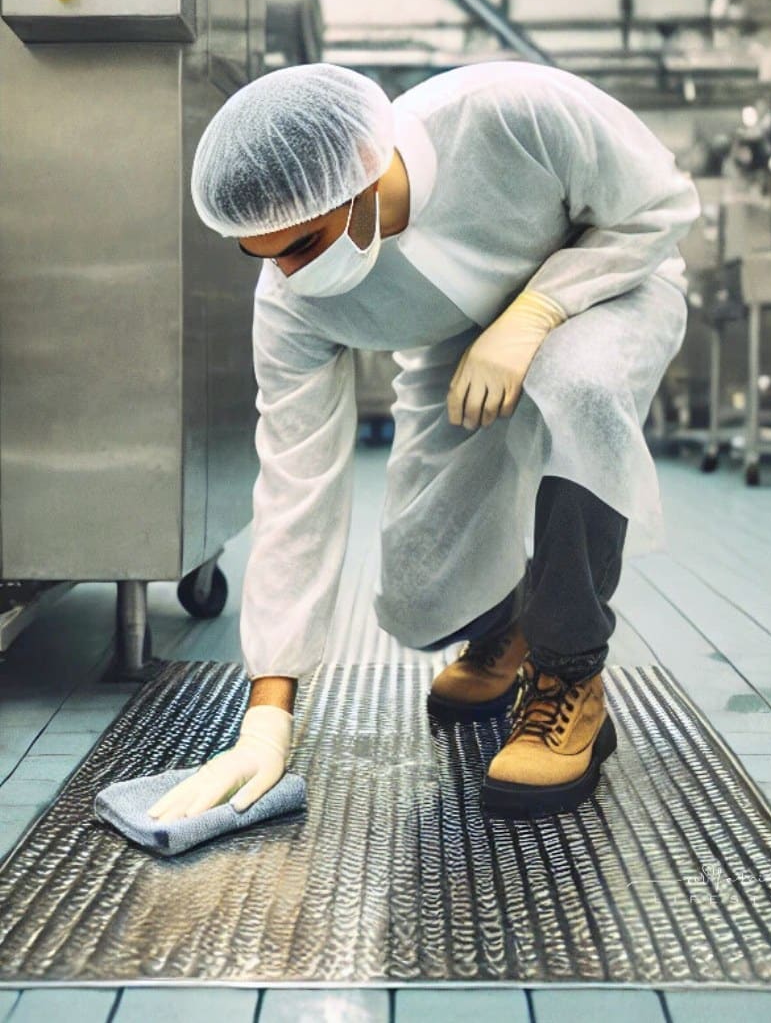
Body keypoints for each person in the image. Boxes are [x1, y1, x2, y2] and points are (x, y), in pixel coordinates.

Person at [147, 60, 699, 823]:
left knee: (576, 386)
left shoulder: (507, 110)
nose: (288, 273)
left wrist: (538, 310)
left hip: (611, 280)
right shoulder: (291, 303)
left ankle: (569, 673)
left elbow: (660, 205)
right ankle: (505, 629)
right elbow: (295, 483)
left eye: (304, 242)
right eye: (263, 254)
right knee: (420, 596)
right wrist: (268, 712)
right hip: (460, 338)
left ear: (363, 182)